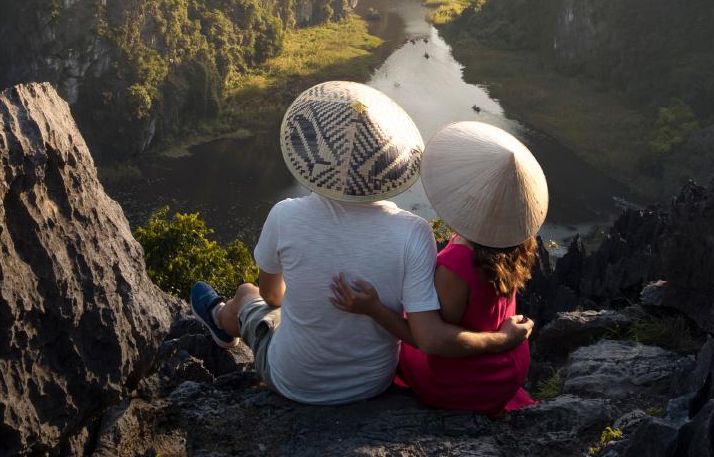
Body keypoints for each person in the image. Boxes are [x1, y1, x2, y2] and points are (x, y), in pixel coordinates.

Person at [190, 82, 534, 405]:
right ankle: (225, 318)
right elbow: (424, 329)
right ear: (388, 163)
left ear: (316, 158)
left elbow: (272, 296)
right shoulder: (414, 232)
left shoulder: (285, 215)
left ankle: (222, 319)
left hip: (293, 381)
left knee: (249, 293)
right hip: (374, 383)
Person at [329, 121, 548, 415]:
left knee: (404, 328)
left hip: (466, 382)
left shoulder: (457, 263)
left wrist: (373, 309)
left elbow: (431, 341)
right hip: (509, 369)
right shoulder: (515, 241)